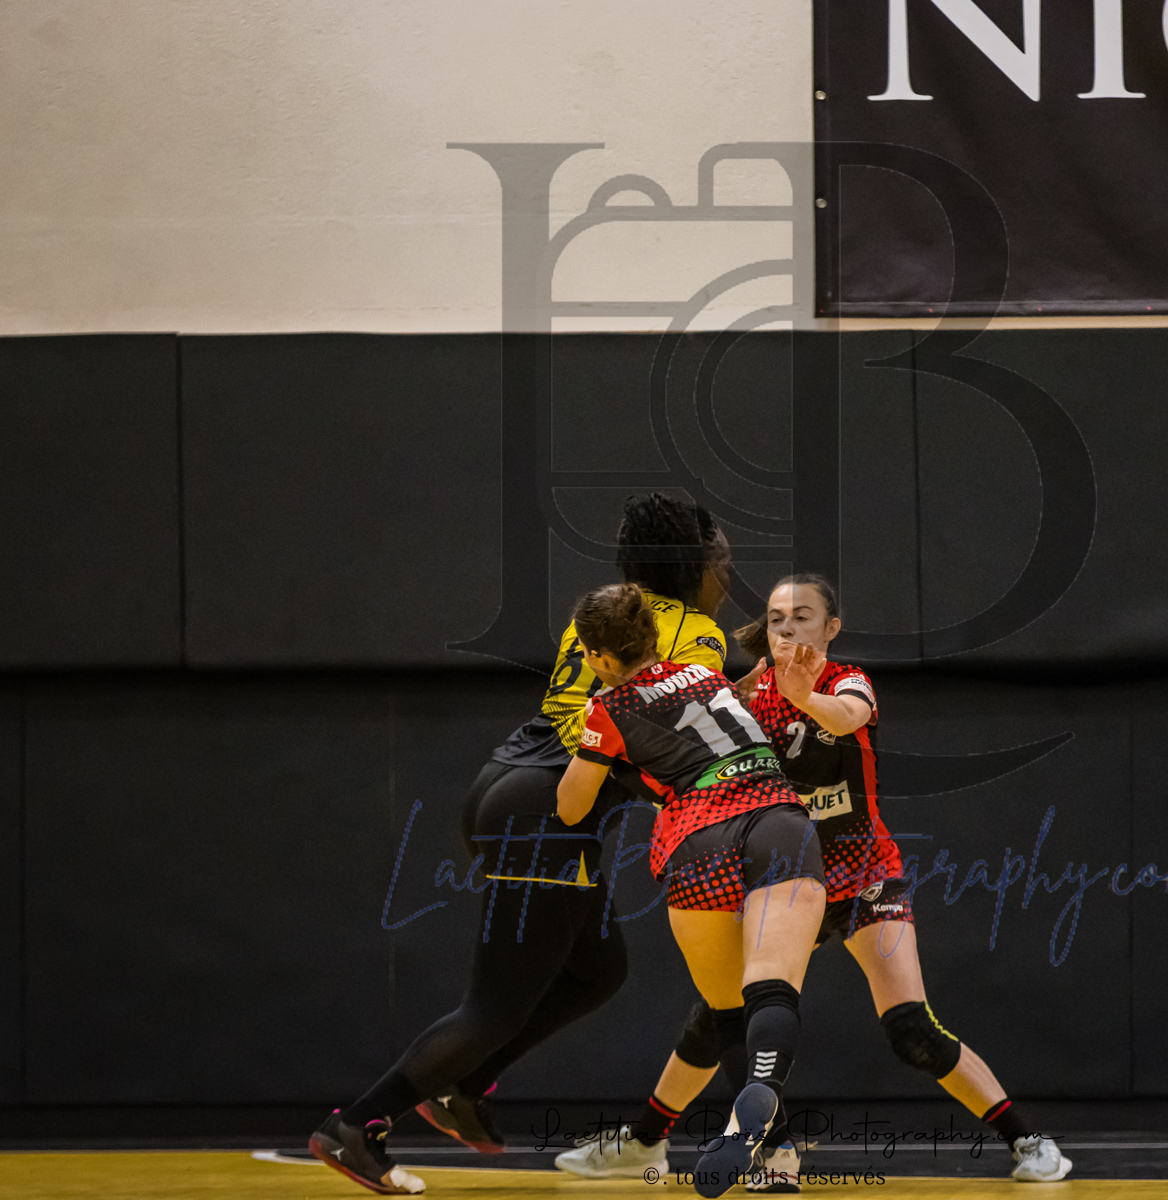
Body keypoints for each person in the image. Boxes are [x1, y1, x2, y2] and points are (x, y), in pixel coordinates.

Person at [555, 575, 1070, 1187]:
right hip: (784, 867)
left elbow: (848, 718)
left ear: (831, 628)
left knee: (910, 1028)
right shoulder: (742, 696)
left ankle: (1028, 1140)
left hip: (861, 872)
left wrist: (804, 697)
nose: (787, 627)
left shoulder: (846, 682)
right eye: (776, 617)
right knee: (721, 1015)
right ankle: (652, 1141)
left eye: (802, 616)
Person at [308, 494, 732, 1196]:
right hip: (546, 814)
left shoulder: (606, 613)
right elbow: (671, 739)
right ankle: (355, 1127)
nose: (728, 573)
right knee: (494, 1007)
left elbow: (584, 715)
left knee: (599, 970)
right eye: (722, 560)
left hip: (501, 783)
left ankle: (463, 1084)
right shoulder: (698, 635)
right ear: (698, 565)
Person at [557, 583, 829, 1200]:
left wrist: (600, 745)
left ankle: (775, 1149)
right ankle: (770, 1130)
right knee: (772, 990)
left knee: (727, 1007)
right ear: (654, 637)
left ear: (598, 657)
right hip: (777, 819)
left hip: (697, 839)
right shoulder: (706, 676)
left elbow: (571, 808)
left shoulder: (607, 708)